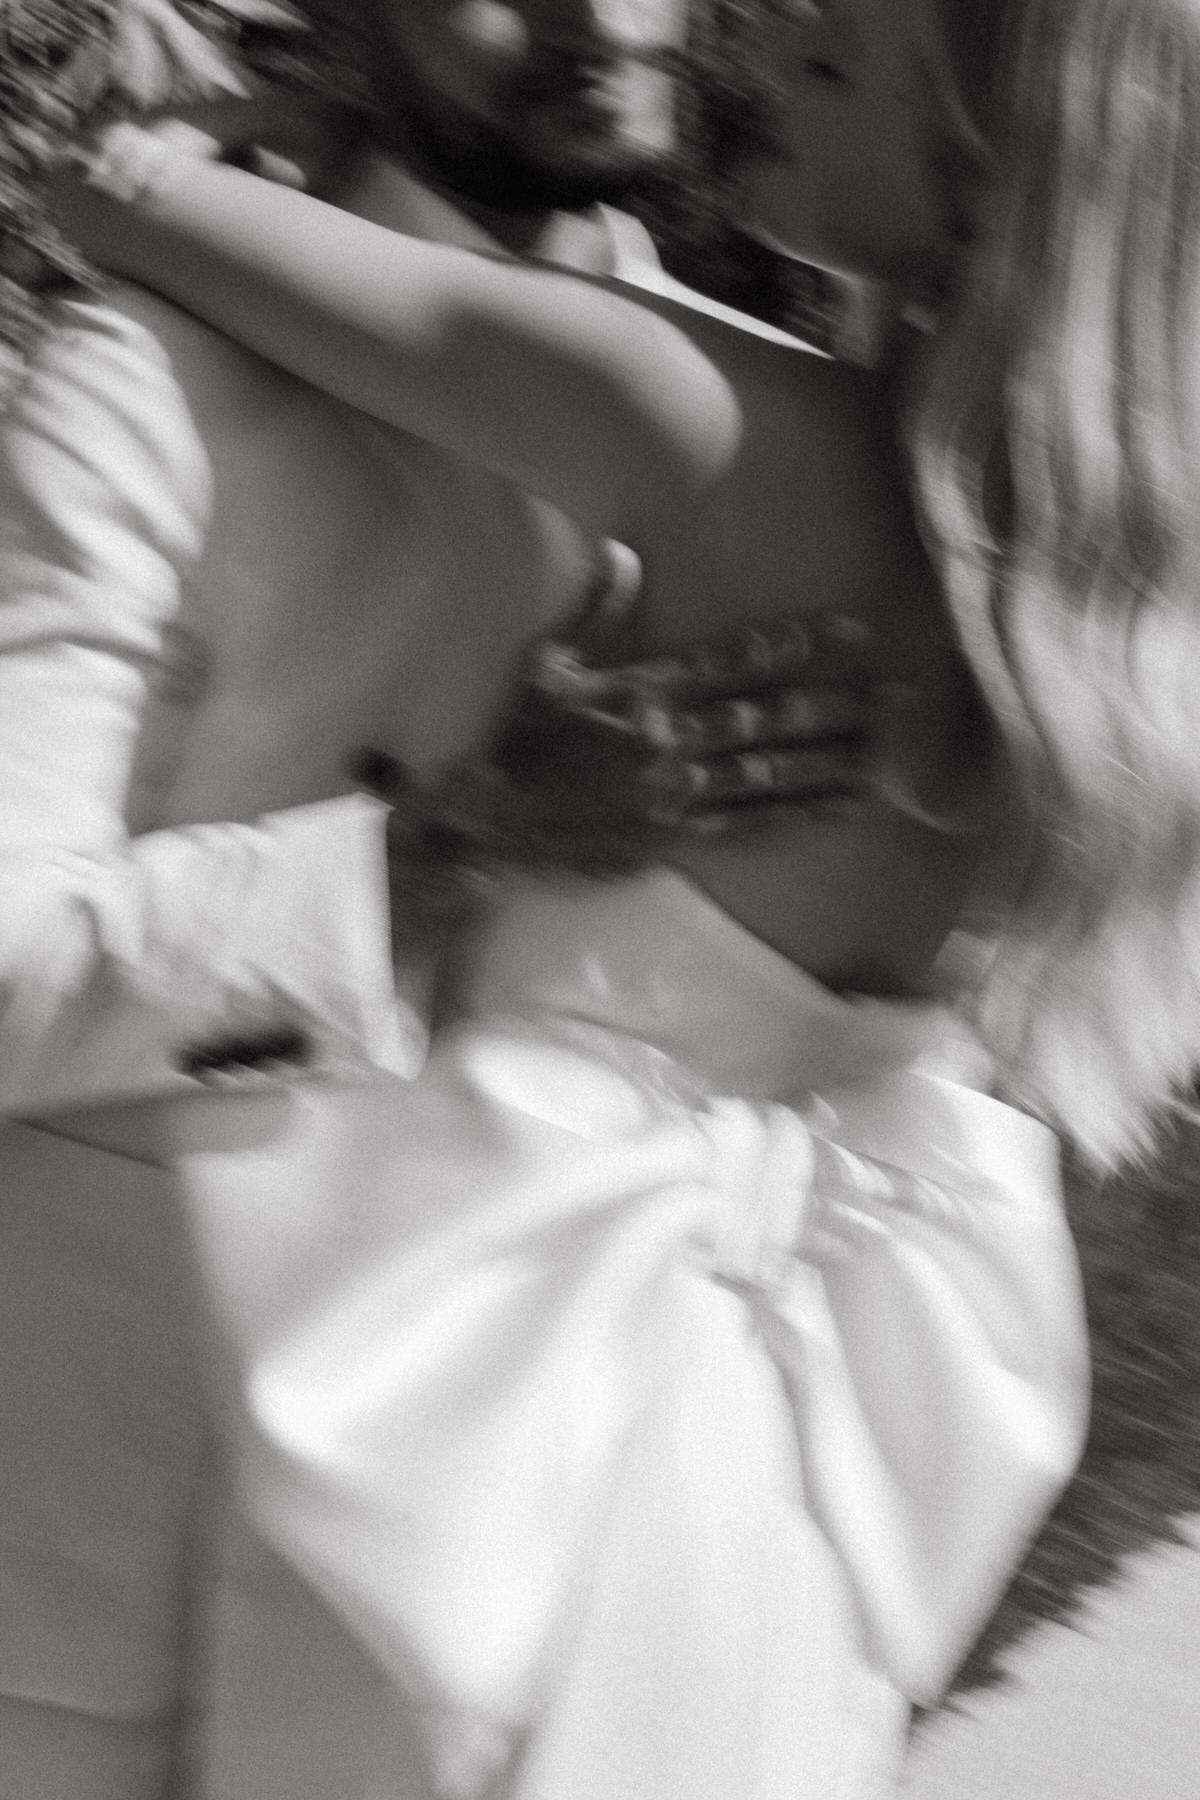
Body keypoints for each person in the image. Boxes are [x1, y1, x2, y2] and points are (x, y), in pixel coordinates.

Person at [68, 0, 1200, 1792]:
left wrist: (212, 120)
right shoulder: (1104, 615)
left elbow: (131, 200)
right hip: (767, 1507)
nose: (811, 21)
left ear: (991, 160)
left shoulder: (714, 420)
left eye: (873, 42)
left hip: (491, 1458)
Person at [0, 2, 879, 1794]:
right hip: (119, 1566)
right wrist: (447, 849)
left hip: (571, 1537)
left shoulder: (769, 416)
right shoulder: (147, 377)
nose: (599, 18)